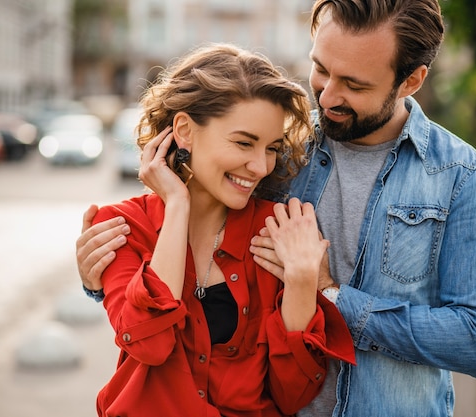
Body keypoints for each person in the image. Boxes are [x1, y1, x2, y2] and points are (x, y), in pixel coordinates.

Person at [77, 1, 476, 416]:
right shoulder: (284, 154)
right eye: (321, 69)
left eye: (355, 84)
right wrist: (105, 275)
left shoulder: (461, 178)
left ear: (411, 80)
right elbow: (197, 231)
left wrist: (328, 294)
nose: (326, 98)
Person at [83, 42, 356, 417]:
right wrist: (177, 205)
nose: (260, 166)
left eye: (272, 148)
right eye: (244, 142)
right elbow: (150, 344)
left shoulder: (277, 230)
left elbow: (292, 392)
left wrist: (303, 280)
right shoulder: (121, 227)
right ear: (185, 131)